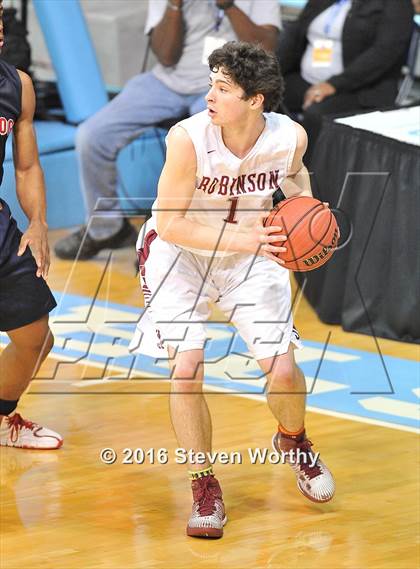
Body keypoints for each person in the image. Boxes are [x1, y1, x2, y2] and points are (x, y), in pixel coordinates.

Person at [134, 41, 335, 539]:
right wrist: (245, 236)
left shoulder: (290, 137)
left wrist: (306, 217)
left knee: (284, 369)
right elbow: (168, 222)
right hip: (179, 254)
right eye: (210, 84)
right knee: (186, 369)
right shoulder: (187, 139)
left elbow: (295, 181)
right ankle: (204, 485)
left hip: (252, 253)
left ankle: (294, 440)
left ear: (256, 100)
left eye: (223, 88)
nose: (210, 96)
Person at [54, 0, 281, 261]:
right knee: (92, 135)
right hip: (167, 82)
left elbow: (268, 48)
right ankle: (106, 230)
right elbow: (165, 55)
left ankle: (185, 239)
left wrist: (229, 6)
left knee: (208, 138)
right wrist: (174, 6)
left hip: (227, 86)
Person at [0, 2, 62, 449]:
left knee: (37, 338)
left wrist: (37, 222)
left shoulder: (16, 85)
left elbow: (26, 167)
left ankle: (2, 419)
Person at [277, 0, 414, 157]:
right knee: (261, 94)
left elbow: (384, 53)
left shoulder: (396, 5)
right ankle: (262, 164)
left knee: (317, 114)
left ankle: (304, 174)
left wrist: (334, 84)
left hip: (359, 89)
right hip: (307, 79)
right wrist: (271, 73)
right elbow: (295, 35)